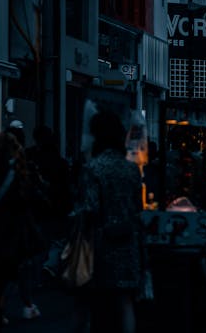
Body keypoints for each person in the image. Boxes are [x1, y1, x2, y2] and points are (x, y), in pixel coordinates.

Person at [74, 109, 145, 333]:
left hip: (99, 245)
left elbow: (90, 208)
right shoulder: (131, 169)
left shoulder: (93, 169)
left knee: (94, 305)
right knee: (125, 303)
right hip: (128, 243)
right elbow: (138, 208)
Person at [0, 131, 45, 330]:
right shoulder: (16, 171)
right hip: (10, 231)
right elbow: (26, 199)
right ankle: (12, 307)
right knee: (9, 273)